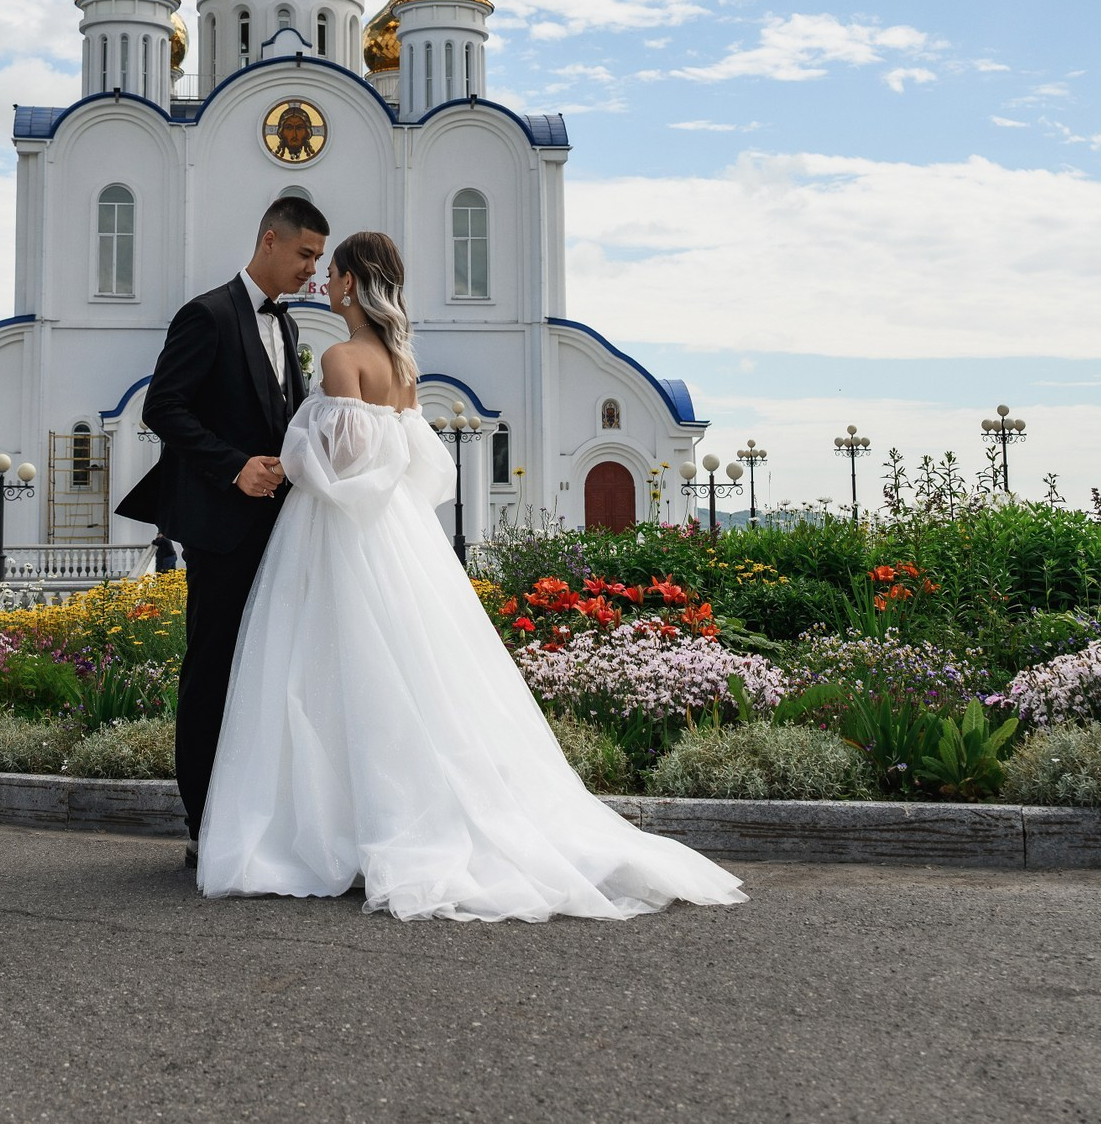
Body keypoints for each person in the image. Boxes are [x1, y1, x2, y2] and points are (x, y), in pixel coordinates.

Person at [196, 230, 746, 922]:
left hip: (337, 530)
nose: (324, 282)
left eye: (332, 272)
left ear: (352, 284)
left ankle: (330, 827)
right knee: (407, 666)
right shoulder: (403, 365)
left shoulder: (340, 360)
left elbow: (341, 466)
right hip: (399, 531)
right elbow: (406, 459)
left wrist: (290, 459)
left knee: (322, 667)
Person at [116, 194, 327, 862]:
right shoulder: (205, 314)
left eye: (319, 259)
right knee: (212, 671)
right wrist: (234, 467)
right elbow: (164, 408)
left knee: (268, 674)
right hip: (219, 529)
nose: (312, 271)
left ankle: (252, 820)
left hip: (278, 528)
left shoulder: (289, 328)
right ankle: (203, 827)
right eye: (304, 255)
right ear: (270, 240)